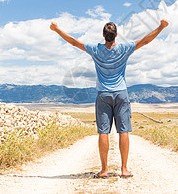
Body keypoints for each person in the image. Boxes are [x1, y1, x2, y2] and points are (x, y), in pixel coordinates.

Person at [50, 19, 169, 179]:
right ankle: (124, 169)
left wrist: (57, 29)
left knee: (104, 132)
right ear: (116, 35)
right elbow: (146, 40)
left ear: (103, 35)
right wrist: (161, 27)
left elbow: (73, 42)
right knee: (124, 130)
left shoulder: (95, 49)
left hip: (103, 94)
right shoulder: (124, 48)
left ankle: (104, 170)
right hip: (121, 93)